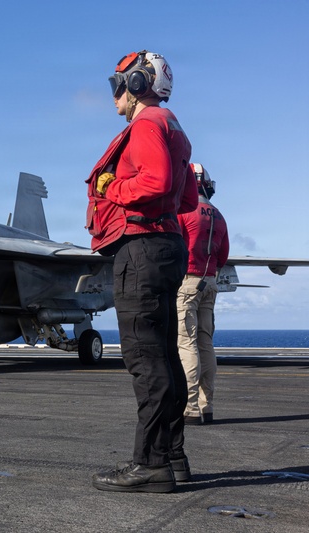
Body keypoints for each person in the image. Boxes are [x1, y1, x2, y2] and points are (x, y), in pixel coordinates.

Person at [85, 50, 199, 493]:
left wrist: (114, 188)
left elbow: (154, 182)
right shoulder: (174, 128)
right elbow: (186, 200)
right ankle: (172, 456)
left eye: (118, 84)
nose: (115, 94)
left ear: (137, 84)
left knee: (145, 359)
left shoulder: (147, 124)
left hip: (143, 248)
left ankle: (149, 464)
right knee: (165, 356)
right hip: (168, 245)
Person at [177, 164, 229, 425]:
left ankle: (190, 407)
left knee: (187, 343)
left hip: (186, 282)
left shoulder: (182, 211)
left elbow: (173, 246)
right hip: (210, 283)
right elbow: (223, 256)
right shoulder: (218, 215)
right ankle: (207, 407)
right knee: (205, 344)